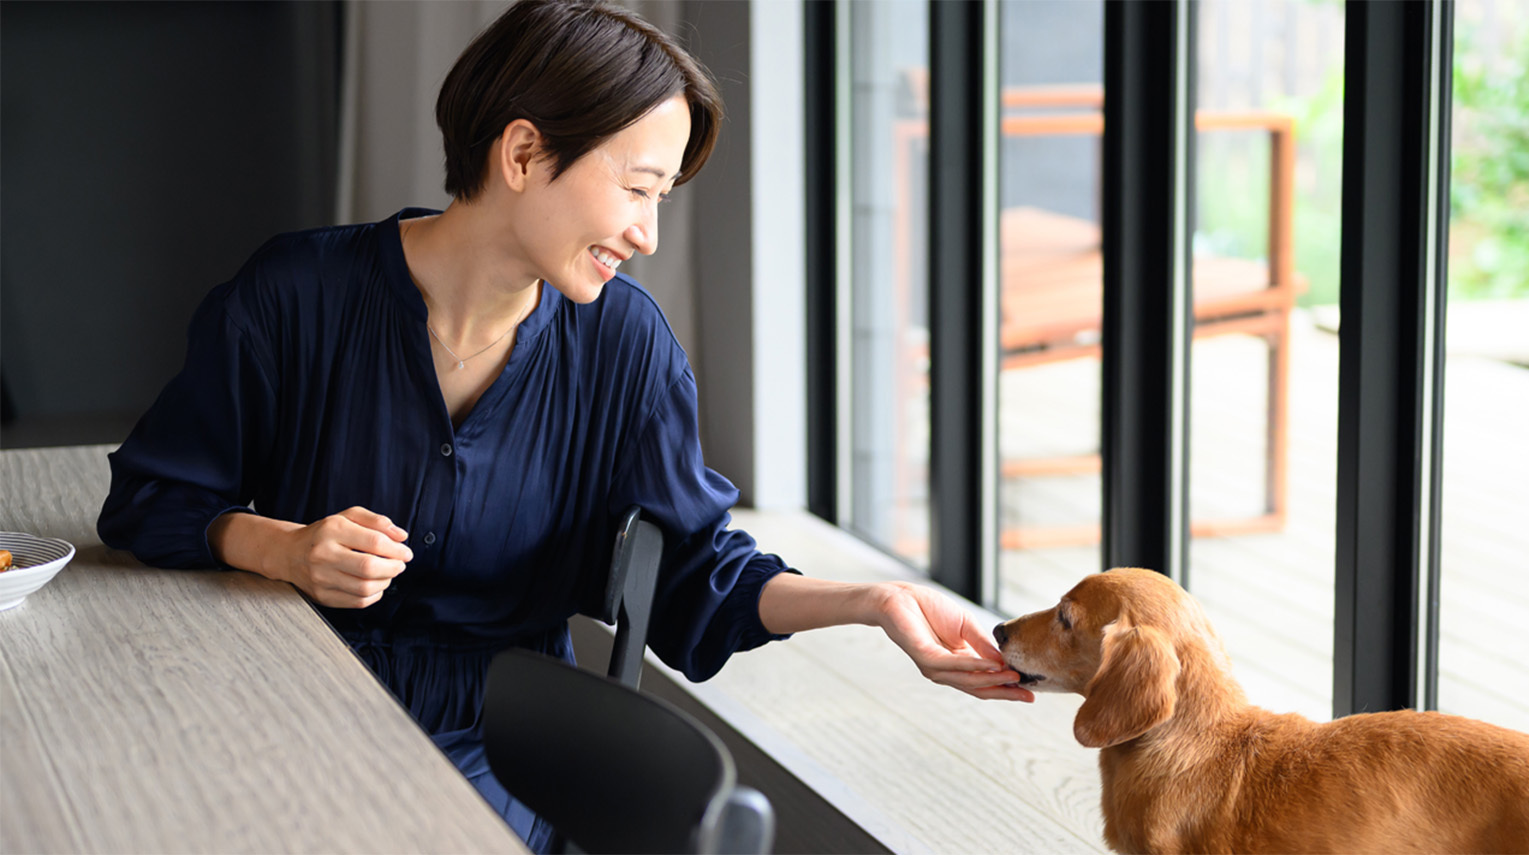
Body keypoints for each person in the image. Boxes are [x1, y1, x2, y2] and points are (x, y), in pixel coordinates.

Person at [95, 1, 1032, 850]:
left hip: (500, 744)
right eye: (637, 188)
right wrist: (286, 547)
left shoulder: (627, 345)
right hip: (279, 695)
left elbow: (697, 573)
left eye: (662, 198)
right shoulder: (295, 295)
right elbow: (152, 497)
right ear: (523, 155)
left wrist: (874, 605)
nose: (649, 234)